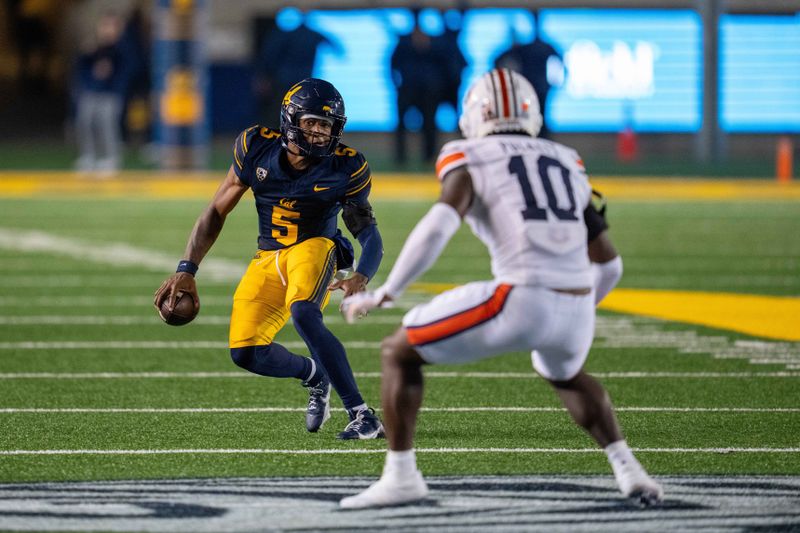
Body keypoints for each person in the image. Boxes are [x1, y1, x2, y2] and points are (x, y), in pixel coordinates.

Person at [338, 68, 663, 508]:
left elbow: (438, 226)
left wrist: (387, 291)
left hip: (522, 295)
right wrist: (577, 307)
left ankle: (402, 477)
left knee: (398, 352)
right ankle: (631, 471)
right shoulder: (567, 160)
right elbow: (610, 264)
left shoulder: (470, 155)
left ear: (475, 113)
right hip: (576, 303)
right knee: (565, 374)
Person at [154, 78, 385, 440]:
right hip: (269, 256)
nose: (320, 133)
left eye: (326, 125)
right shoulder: (255, 146)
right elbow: (216, 210)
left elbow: (367, 232)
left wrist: (362, 276)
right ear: (291, 121)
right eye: (311, 122)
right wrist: (187, 267)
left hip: (317, 247)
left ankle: (362, 414)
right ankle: (315, 374)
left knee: (303, 312)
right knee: (245, 352)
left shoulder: (347, 166)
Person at [73, 12, 131, 174]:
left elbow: (127, 70)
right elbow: (81, 68)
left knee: (107, 124)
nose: (107, 30)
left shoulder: (123, 47)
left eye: (111, 26)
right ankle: (89, 156)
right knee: (85, 121)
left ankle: (111, 158)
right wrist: (87, 54)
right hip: (91, 91)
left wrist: (116, 86)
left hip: (110, 93)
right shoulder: (93, 47)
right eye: (104, 26)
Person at [494, 12, 562, 139]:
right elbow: (499, 58)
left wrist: (555, 83)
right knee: (533, 120)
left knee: (538, 120)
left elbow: (562, 63)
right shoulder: (531, 47)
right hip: (531, 89)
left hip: (537, 89)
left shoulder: (536, 47)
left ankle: (541, 145)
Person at [390, 15, 447, 165]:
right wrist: (396, 84)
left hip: (428, 92)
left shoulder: (436, 47)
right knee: (401, 125)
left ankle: (429, 156)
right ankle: (400, 157)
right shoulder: (403, 46)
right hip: (407, 90)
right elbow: (392, 65)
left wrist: (437, 87)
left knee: (429, 124)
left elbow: (444, 68)